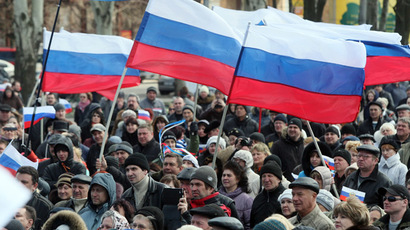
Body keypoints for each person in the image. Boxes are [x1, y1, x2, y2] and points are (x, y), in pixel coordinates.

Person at [250, 162, 286, 227]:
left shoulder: (286, 198)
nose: (266, 180)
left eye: (270, 176)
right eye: (264, 176)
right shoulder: (258, 199)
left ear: (278, 179)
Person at [219, 160, 253, 229]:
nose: (225, 178)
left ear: (237, 179)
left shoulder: (246, 200)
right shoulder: (217, 197)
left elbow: (249, 225)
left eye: (229, 175)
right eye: (224, 175)